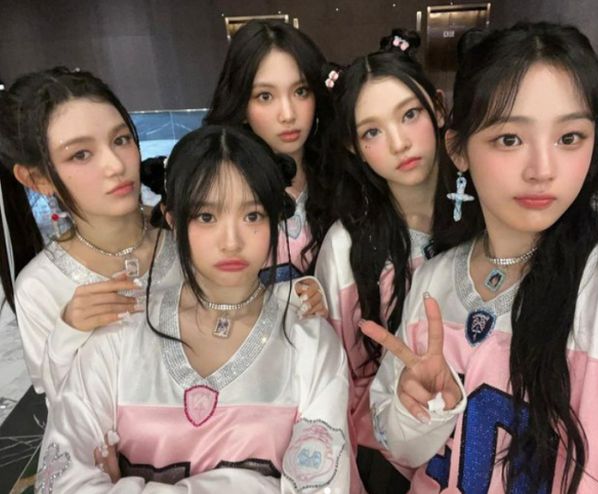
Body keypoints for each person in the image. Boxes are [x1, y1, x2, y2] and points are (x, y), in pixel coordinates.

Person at [367, 22, 598, 493]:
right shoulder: (433, 281)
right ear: (458, 150)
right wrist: (423, 409)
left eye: (570, 137)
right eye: (510, 139)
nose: (543, 170)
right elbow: (400, 449)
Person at [37, 125, 351, 492]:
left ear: (273, 218)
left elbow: (324, 487)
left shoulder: (310, 341)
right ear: (172, 219)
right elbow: (60, 481)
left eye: (252, 216)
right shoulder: (120, 335)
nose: (231, 241)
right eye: (206, 216)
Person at [314, 29, 449, 491]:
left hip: (477, 445)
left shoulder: (489, 221)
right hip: (384, 452)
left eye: (410, 115)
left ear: (438, 108)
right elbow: (337, 376)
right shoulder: (346, 247)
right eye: (372, 131)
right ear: (353, 146)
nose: (398, 142)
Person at [0, 67, 181, 401]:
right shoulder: (40, 287)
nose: (116, 165)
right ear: (37, 179)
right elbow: (56, 401)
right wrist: (68, 331)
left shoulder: (186, 236)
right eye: (80, 154)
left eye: (121, 140)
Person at [204, 20, 336, 279]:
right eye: (265, 96)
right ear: (241, 105)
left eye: (300, 91)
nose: (288, 114)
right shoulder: (219, 188)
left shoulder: (343, 175)